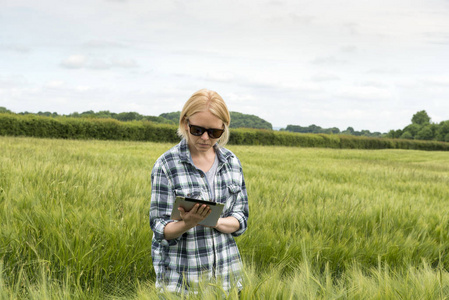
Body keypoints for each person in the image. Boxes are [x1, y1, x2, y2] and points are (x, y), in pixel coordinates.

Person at [149, 89, 249, 294]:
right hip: (183, 284)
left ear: (224, 128)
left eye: (214, 132)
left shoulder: (232, 162)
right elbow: (159, 227)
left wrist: (215, 220)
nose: (205, 138)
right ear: (185, 123)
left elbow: (241, 218)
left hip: (227, 282)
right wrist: (187, 223)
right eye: (197, 130)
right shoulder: (166, 165)